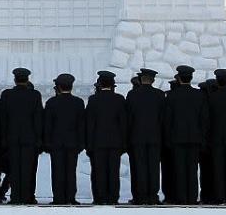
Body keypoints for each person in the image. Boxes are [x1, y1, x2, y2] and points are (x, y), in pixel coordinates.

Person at [163, 65, 208, 205]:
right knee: (192, 169)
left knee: (179, 169)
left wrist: (168, 138)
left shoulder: (171, 96)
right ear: (191, 78)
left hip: (177, 138)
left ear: (179, 78)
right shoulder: (199, 95)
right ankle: (192, 197)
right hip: (195, 138)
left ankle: (181, 197)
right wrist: (202, 137)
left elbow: (167, 120)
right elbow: (204, 119)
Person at [0, 67, 43, 204]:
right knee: (28, 169)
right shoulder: (35, 95)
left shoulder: (7, 95)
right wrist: (39, 139)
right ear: (27, 79)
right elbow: (38, 119)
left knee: (14, 169)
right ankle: (28, 196)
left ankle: (15, 196)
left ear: (15, 79)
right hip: (29, 139)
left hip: (11, 139)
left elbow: (3, 119)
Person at [85, 70, 127, 205]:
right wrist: (123, 143)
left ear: (100, 83)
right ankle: (113, 197)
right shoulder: (119, 100)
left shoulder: (93, 100)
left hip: (97, 142)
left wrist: (89, 144)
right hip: (115, 143)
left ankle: (99, 197)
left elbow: (90, 124)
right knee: (113, 172)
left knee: (98, 171)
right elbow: (123, 124)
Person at [44, 73, 85, 205]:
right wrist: (81, 143)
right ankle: (70, 197)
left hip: (56, 143)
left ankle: (58, 198)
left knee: (57, 171)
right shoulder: (78, 102)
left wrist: (47, 142)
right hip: (73, 143)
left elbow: (48, 125)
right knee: (71, 171)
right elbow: (81, 125)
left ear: (58, 87)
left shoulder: (51, 102)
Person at [127, 67, 165, 205]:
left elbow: (129, 119)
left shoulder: (132, 95)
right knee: (153, 168)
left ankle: (140, 196)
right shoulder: (160, 95)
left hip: (137, 137)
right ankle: (152, 195)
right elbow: (163, 118)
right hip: (155, 137)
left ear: (141, 80)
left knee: (139, 167)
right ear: (153, 80)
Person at [205, 69, 226, 204]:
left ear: (217, 81)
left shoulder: (210, 98)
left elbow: (207, 119)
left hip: (216, 138)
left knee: (218, 168)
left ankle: (219, 196)